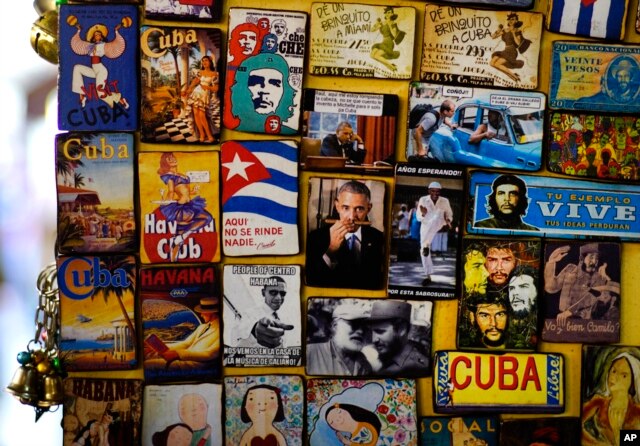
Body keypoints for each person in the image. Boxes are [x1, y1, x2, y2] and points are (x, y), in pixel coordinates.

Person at [305, 181, 385, 289]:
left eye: (359, 209)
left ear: (368, 208)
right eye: (346, 208)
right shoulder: (316, 238)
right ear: (337, 206)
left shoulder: (380, 239)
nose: (351, 217)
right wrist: (331, 250)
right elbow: (312, 281)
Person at [157, 152, 215, 262]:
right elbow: (171, 192)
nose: (173, 160)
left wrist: (193, 191)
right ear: (166, 163)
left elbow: (185, 191)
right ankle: (179, 243)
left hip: (191, 204)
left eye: (173, 157)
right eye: (169, 159)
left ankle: (174, 259)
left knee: (178, 237)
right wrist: (166, 201)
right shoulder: (169, 177)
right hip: (183, 208)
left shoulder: (181, 174)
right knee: (206, 218)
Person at [544, 243, 617, 327]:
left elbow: (592, 296)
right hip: (562, 319)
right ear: (582, 258)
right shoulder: (570, 269)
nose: (594, 261)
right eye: (591, 257)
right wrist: (551, 262)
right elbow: (551, 288)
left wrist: (606, 279)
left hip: (583, 323)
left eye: (597, 258)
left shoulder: (598, 277)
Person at [230, 52, 297, 134]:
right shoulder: (232, 131)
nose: (265, 91)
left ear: (285, 91)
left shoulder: (290, 133)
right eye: (255, 82)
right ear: (241, 88)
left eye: (274, 84)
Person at [582, 351, 640, 445]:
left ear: (632, 382)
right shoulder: (598, 402)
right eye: (613, 371)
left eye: (624, 375)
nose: (614, 377)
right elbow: (575, 423)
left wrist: (618, 432)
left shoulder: (637, 411)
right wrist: (597, 444)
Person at [69, 20, 130, 109]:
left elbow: (116, 46)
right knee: (77, 68)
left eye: (99, 34)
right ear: (93, 37)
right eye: (96, 34)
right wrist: (78, 30)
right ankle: (82, 96)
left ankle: (120, 99)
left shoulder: (104, 45)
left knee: (100, 93)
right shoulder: (89, 46)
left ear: (101, 36)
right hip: (94, 70)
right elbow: (78, 44)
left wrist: (116, 31)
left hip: (101, 70)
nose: (97, 36)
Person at [151, 297, 219, 369]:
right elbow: (186, 343)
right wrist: (159, 347)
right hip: (186, 358)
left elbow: (209, 354)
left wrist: (178, 354)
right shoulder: (203, 327)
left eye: (203, 312)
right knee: (150, 356)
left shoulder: (223, 332)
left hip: (196, 364)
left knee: (148, 364)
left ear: (212, 313)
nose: (201, 315)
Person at [306, 302, 372, 375]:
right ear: (335, 326)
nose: (361, 331)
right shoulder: (309, 353)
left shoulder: (365, 364)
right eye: (354, 324)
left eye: (364, 327)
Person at [369, 300, 429, 375]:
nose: (374, 340)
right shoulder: (390, 359)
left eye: (380, 332)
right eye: (372, 332)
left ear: (401, 329)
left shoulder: (413, 369)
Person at [234, 276, 296, 349]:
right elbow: (242, 334)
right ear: (263, 293)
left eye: (282, 293)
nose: (278, 298)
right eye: (273, 292)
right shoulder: (249, 314)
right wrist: (254, 331)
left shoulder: (283, 318)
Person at [416, 181, 453, 285]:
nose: (435, 194)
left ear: (440, 192)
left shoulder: (445, 201)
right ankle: (428, 276)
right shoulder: (423, 199)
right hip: (426, 224)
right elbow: (418, 217)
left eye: (437, 192)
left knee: (438, 213)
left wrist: (448, 219)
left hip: (439, 221)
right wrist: (423, 214)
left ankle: (426, 244)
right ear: (429, 191)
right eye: (433, 191)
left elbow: (449, 214)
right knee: (423, 248)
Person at [183, 55, 219, 143]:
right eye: (203, 61)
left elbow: (216, 88)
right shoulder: (200, 72)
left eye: (206, 60)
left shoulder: (215, 74)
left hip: (204, 95)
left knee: (202, 115)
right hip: (196, 93)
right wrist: (187, 90)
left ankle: (209, 134)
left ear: (210, 62)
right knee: (196, 114)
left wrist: (207, 87)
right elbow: (194, 82)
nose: (204, 62)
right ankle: (202, 134)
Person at [489, 12, 530, 83]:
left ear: (516, 21)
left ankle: (513, 76)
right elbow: (493, 37)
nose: (510, 21)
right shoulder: (505, 30)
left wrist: (513, 33)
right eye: (509, 19)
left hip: (512, 51)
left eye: (513, 19)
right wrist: (498, 30)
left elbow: (518, 43)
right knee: (492, 63)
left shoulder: (517, 31)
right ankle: (513, 75)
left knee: (497, 64)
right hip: (505, 50)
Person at [370, 6, 406, 72]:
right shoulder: (382, 23)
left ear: (392, 14)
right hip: (383, 42)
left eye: (389, 12)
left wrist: (389, 25)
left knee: (377, 55)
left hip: (389, 43)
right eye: (386, 12)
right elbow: (371, 30)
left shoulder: (393, 23)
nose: (387, 14)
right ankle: (389, 65)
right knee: (372, 55)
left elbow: (394, 35)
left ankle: (391, 66)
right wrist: (377, 23)